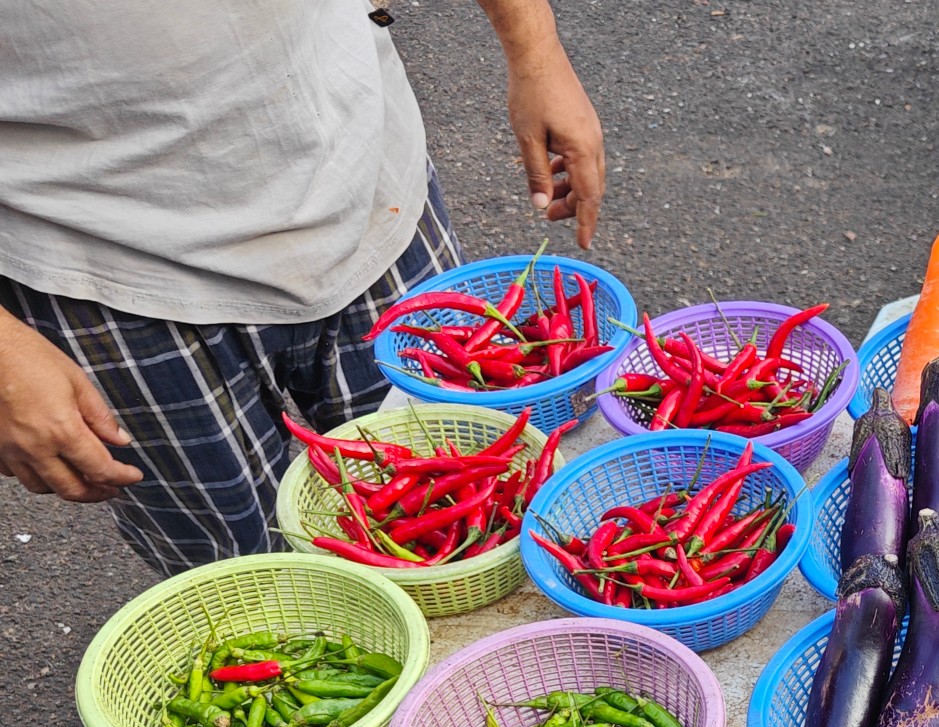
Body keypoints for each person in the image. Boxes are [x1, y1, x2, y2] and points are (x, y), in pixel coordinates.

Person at [0, 0, 605, 573]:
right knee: (234, 572)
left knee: (473, 492)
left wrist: (536, 51)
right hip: (97, 261)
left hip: (364, 175)